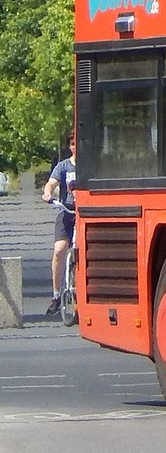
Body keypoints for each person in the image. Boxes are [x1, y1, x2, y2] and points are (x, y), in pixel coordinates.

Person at [41, 135, 77, 317]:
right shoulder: (63, 166)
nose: (75, 146)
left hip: (85, 214)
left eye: (77, 142)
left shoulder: (90, 166)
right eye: (72, 144)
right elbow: (52, 182)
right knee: (59, 251)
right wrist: (48, 193)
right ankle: (56, 295)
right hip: (66, 211)